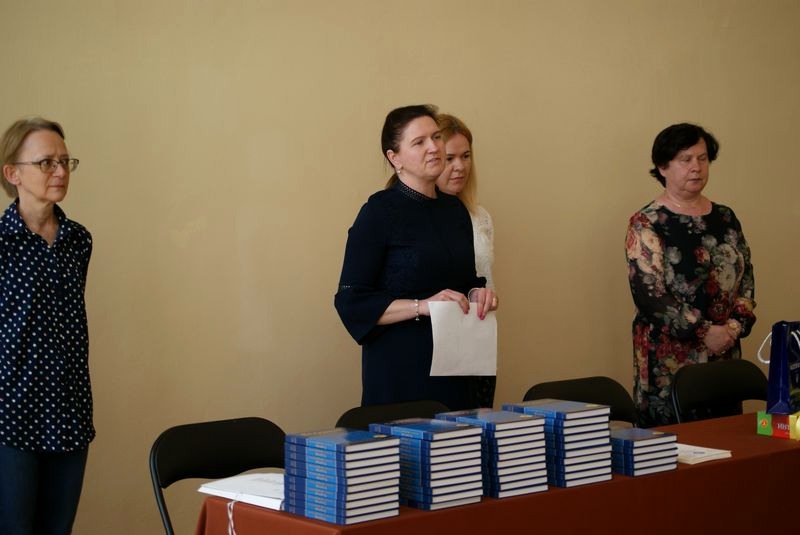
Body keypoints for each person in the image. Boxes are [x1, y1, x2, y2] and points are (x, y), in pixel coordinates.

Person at [335, 105, 497, 411]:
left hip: (456, 369)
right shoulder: (378, 213)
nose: (434, 147)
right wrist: (421, 306)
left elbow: (465, 281)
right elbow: (351, 301)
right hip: (401, 373)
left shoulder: (455, 211)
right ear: (394, 158)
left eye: (436, 137)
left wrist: (478, 293)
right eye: (419, 142)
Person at [625, 123, 756, 427]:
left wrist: (732, 328)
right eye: (685, 160)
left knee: (726, 439)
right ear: (663, 167)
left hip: (724, 350)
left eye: (702, 158)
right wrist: (705, 332)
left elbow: (746, 280)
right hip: (669, 359)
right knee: (674, 446)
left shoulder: (725, 217)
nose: (696, 167)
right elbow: (651, 295)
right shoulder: (646, 222)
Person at [0, 117, 93, 534]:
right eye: (46, 162)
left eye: (64, 161)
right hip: (10, 415)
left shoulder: (79, 241)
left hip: (70, 411)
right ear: (13, 173)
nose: (59, 171)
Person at [435, 113, 497, 408]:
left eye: (466, 156)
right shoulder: (420, 219)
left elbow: (485, 277)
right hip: (440, 340)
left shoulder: (480, 216)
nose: (460, 166)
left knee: (479, 418)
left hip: (478, 336)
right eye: (449, 159)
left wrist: (487, 298)